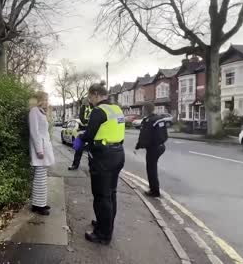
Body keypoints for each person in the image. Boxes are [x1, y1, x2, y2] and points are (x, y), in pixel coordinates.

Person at [73, 83, 125, 245]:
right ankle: (106, 224)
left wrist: (81, 137)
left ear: (96, 94)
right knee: (111, 194)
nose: (90, 101)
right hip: (118, 154)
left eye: (90, 97)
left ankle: (102, 234)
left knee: (101, 196)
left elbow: (89, 135)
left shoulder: (98, 111)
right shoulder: (116, 109)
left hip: (103, 157)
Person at [29, 91, 55, 216]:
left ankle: (38, 203)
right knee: (40, 178)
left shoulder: (41, 112)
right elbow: (34, 132)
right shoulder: (34, 111)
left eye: (47, 99)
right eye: (44, 99)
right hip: (40, 150)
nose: (46, 102)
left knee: (41, 177)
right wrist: (39, 150)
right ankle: (39, 205)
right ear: (38, 99)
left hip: (44, 148)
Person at [135, 102, 168, 198]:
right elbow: (164, 135)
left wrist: (138, 145)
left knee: (151, 169)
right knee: (152, 167)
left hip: (153, 148)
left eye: (143, 109)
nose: (142, 111)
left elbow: (144, 136)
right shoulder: (160, 119)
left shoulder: (148, 121)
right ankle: (154, 189)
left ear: (145, 110)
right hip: (161, 146)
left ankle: (154, 191)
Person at [68, 99, 93, 170]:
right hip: (83, 129)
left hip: (91, 129)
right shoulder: (83, 107)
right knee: (78, 147)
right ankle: (75, 165)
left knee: (91, 150)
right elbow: (81, 118)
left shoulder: (95, 107)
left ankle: (91, 166)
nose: (87, 102)